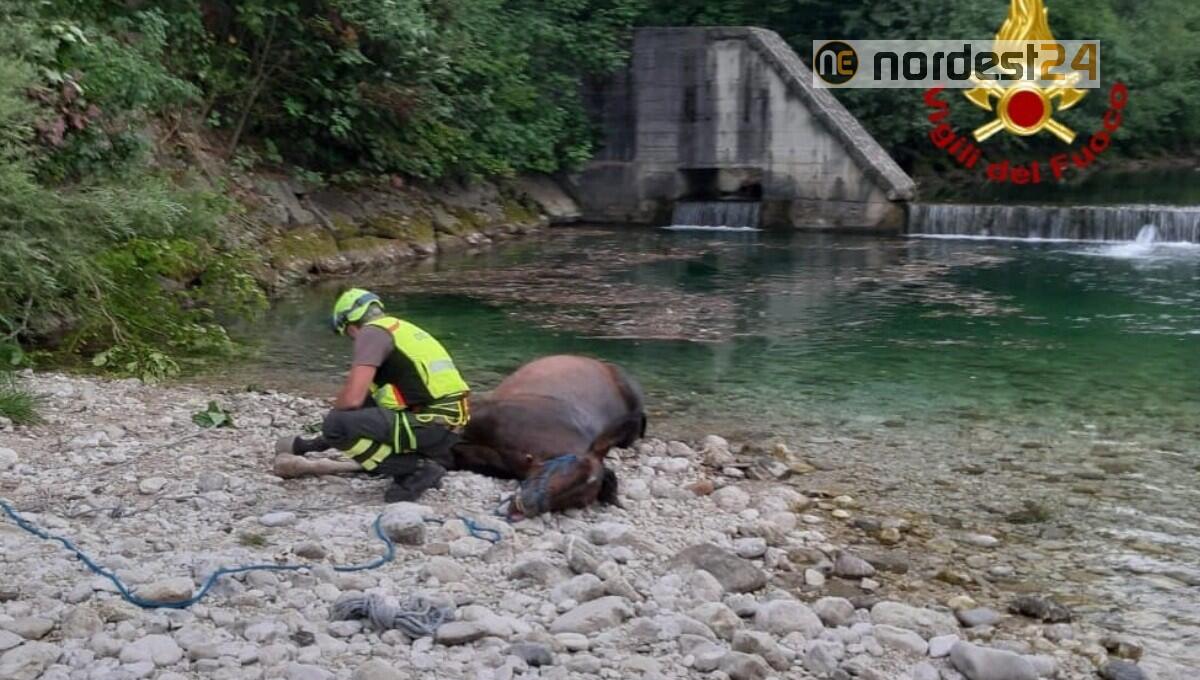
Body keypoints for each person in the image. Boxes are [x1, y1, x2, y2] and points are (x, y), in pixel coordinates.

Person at [275, 288, 470, 501]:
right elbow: (368, 402)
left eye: (346, 333)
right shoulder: (401, 329)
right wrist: (313, 445)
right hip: (448, 425)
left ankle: (417, 469)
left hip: (431, 424)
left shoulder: (371, 333)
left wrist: (332, 425)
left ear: (349, 325)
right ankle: (409, 461)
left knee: (337, 423)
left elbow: (351, 400)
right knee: (362, 408)